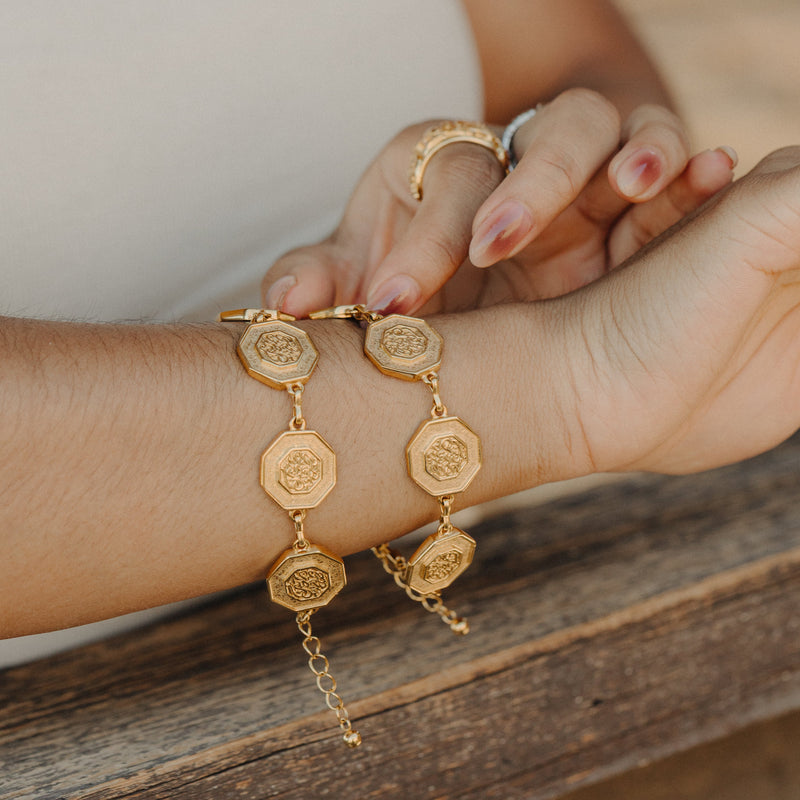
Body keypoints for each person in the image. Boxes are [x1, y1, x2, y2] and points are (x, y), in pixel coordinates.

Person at [2, 1, 795, 651]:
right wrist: (557, 380)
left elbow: (576, 61)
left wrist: (546, 184)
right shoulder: (563, 383)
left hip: (445, 626)